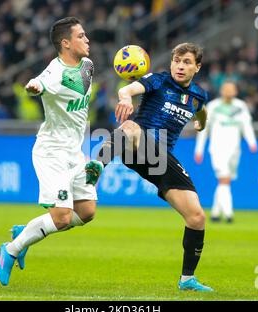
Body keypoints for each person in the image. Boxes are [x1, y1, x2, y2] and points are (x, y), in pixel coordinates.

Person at [85, 43, 213, 291]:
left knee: (196, 217)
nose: (180, 65)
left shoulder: (198, 95)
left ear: (197, 67)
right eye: (177, 60)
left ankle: (187, 279)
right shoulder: (158, 80)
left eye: (187, 62)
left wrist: (201, 124)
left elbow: (201, 112)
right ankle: (97, 164)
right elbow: (129, 89)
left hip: (161, 160)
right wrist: (125, 98)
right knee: (131, 127)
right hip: (137, 146)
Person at [0, 17, 97, 286]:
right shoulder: (54, 72)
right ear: (65, 43)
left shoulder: (87, 66)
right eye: (81, 36)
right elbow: (39, 82)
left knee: (87, 212)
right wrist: (34, 87)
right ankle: (11, 249)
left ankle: (28, 231)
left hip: (74, 152)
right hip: (52, 152)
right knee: (62, 218)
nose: (87, 40)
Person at [194, 81, 258, 223]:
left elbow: (246, 126)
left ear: (235, 91)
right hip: (217, 148)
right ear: (221, 90)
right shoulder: (213, 106)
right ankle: (229, 213)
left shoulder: (240, 107)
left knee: (225, 181)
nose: (228, 91)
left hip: (235, 149)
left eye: (231, 89)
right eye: (226, 88)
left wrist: (252, 142)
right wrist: (199, 149)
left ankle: (216, 212)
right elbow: (204, 130)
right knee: (224, 179)